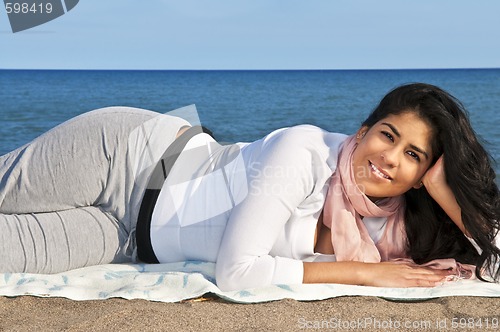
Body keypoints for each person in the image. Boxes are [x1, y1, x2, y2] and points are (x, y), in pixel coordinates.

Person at [0, 83, 498, 292]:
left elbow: (495, 257)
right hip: (126, 156)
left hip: (127, 240)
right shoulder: (303, 152)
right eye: (388, 135)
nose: (390, 158)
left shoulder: (387, 227)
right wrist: (367, 277)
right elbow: (237, 273)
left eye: (413, 156)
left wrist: (447, 190)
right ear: (363, 131)